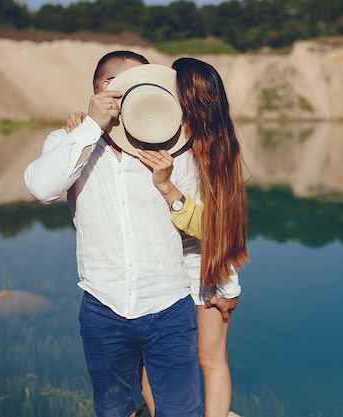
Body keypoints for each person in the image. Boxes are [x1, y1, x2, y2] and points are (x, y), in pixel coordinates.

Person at [24, 50, 203, 417]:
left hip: (168, 303)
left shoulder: (176, 148)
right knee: (112, 410)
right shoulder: (69, 139)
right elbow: (42, 189)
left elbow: (202, 224)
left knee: (182, 411)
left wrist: (168, 187)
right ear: (108, 88)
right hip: (103, 306)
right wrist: (91, 126)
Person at [137, 57, 249, 417]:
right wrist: (82, 123)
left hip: (205, 268)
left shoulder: (218, 150)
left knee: (209, 356)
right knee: (149, 363)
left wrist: (169, 190)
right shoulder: (154, 136)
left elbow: (216, 227)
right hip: (159, 267)